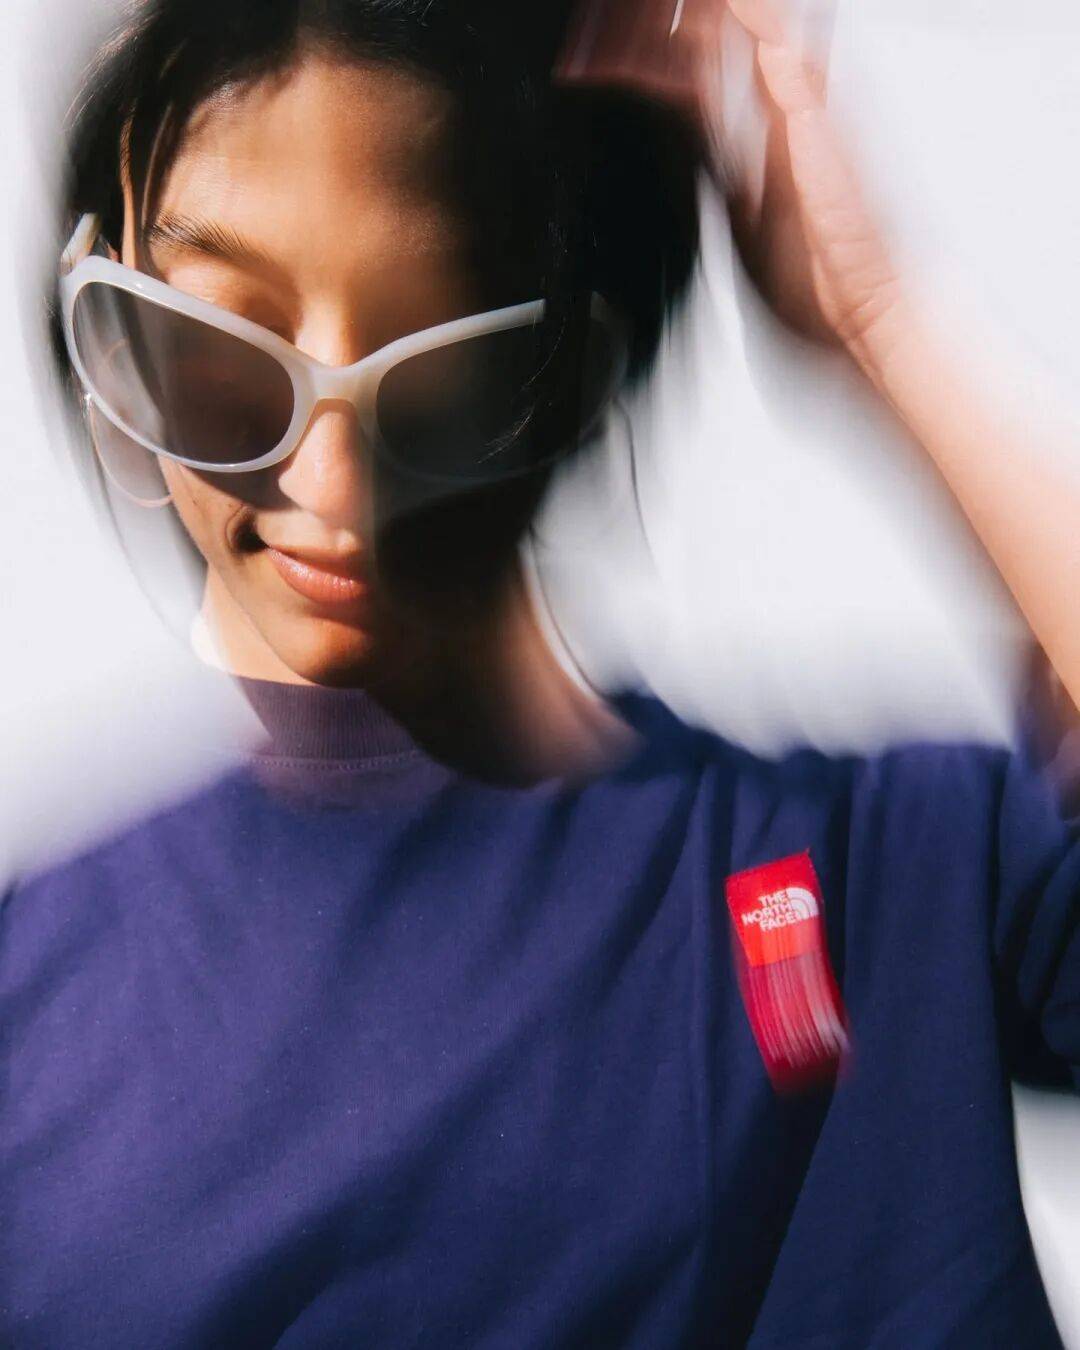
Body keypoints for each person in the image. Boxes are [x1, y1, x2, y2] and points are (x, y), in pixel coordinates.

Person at [3, 0, 1078, 1346]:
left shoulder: (886, 880)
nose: (328, 485)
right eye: (219, 353)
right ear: (109, 340)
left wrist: (880, 320)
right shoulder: (28, 995)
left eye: (433, 376)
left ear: (568, 378)